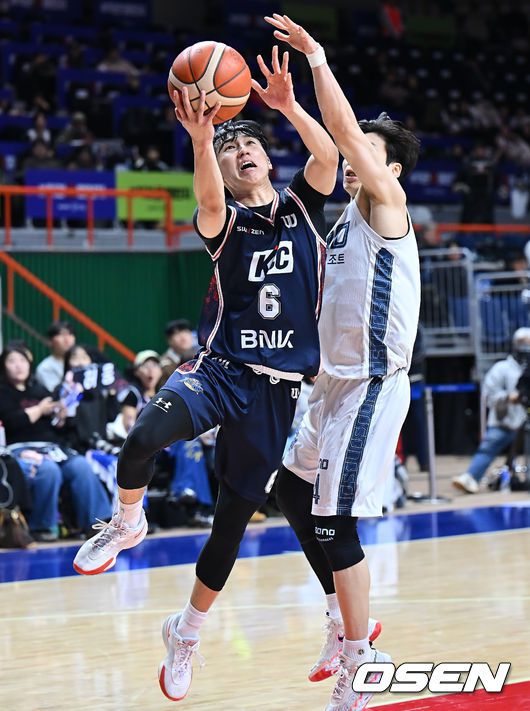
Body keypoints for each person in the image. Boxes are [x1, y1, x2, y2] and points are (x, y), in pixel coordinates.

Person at [73, 45, 338, 703]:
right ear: (219, 170)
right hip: (220, 370)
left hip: (276, 392)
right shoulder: (225, 222)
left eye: (250, 144)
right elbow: (208, 199)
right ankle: (127, 521)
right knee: (141, 438)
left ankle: (185, 632)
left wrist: (288, 106)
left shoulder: (302, 208)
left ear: (268, 159)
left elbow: (328, 157)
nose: (241, 151)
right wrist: (200, 140)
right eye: (229, 149)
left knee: (230, 524)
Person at [265, 14, 421, 711]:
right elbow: (331, 146)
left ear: (390, 168)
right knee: (290, 492)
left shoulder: (389, 204)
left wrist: (318, 60)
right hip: (329, 384)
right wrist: (289, 106)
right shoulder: (342, 217)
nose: (354, 158)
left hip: (370, 385)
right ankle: (342, 620)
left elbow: (344, 137)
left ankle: (362, 660)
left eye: (368, 151)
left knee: (335, 524)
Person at [0, 345, 112, 540]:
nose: (18, 366)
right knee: (48, 470)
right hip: (19, 449)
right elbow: (11, 422)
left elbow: (56, 424)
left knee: (80, 465)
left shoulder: (40, 390)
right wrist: (40, 410)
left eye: (22, 360)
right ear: (3, 366)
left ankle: (97, 523)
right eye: (12, 361)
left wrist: (60, 416)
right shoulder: (3, 392)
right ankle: (42, 527)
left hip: (52, 447)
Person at [452, 327, 530, 494]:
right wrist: (509, 397)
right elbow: (490, 394)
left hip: (526, 418)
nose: (526, 348)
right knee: (488, 447)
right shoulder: (502, 368)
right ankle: (471, 477)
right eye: (523, 343)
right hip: (505, 421)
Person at [35, 321, 76, 393]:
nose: (67, 339)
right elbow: (59, 394)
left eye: (70, 334)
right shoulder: (46, 368)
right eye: (62, 335)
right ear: (50, 341)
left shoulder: (81, 362)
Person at [159, 319, 196, 385]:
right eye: (177, 333)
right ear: (169, 340)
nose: (183, 337)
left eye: (186, 332)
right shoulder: (164, 364)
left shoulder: (199, 356)